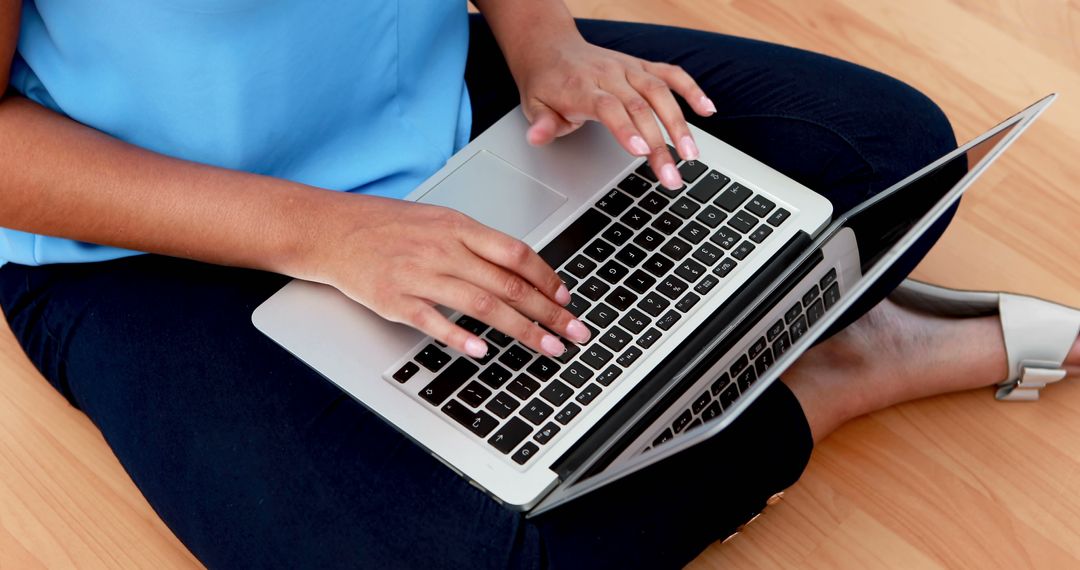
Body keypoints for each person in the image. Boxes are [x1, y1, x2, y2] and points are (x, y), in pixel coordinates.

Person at [1, 1, 1077, 568]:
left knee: (890, 156)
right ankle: (841, 369)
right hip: (149, 242)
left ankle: (753, 348)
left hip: (434, 108)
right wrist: (328, 232)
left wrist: (545, 44)